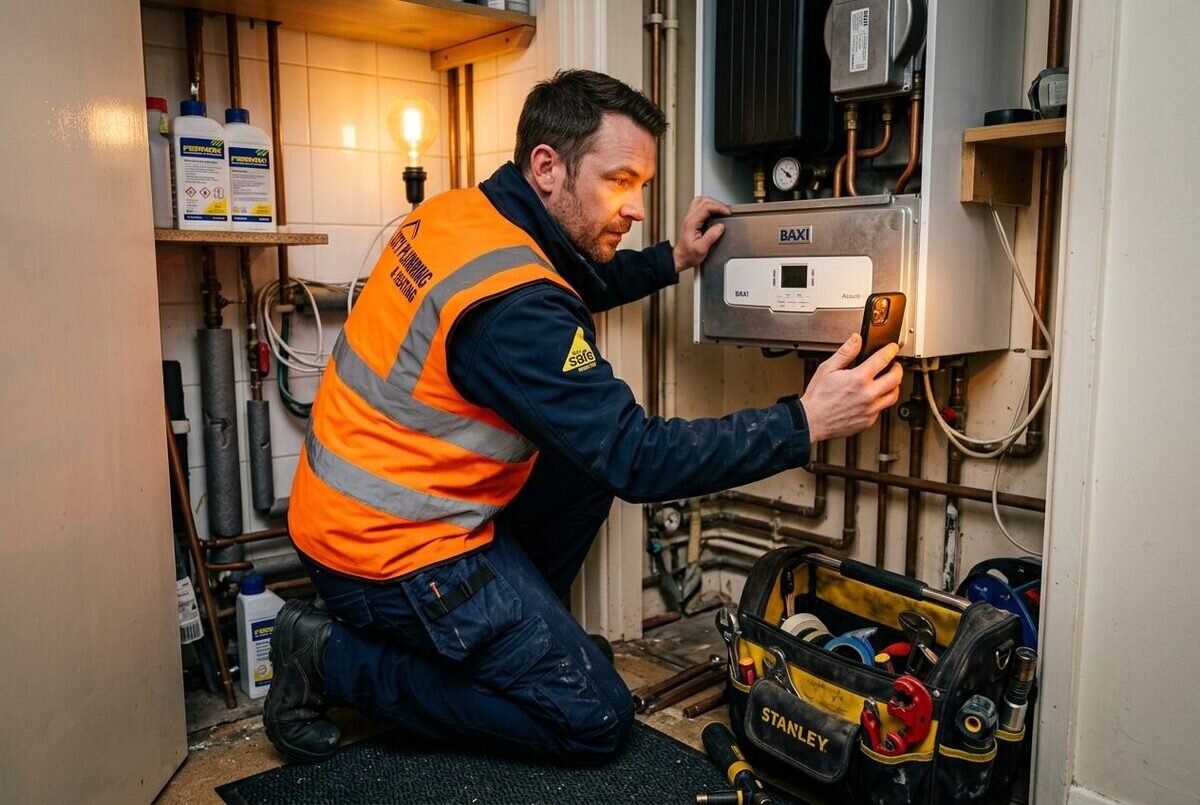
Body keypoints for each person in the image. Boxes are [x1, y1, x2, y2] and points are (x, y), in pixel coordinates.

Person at [263, 69, 903, 765]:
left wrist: (673, 260)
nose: (633, 207)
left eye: (642, 187)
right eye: (619, 180)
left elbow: (563, 279)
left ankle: (518, 648)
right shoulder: (515, 311)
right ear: (547, 166)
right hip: (387, 555)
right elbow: (639, 456)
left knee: (579, 466)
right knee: (592, 714)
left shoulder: (462, 217)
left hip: (356, 512)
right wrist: (803, 420)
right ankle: (329, 658)